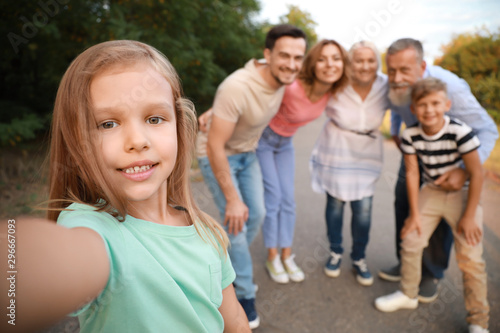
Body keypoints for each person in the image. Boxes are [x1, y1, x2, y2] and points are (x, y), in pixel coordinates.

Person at [0, 40, 250, 333]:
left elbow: (234, 320)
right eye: (108, 124)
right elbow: (39, 267)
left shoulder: (206, 231)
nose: (137, 140)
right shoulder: (93, 229)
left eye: (154, 118)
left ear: (180, 128)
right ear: (78, 143)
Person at [196, 24, 307, 329]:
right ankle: (242, 294)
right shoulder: (237, 86)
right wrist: (232, 198)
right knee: (238, 223)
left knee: (256, 213)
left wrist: (214, 110)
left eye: (298, 57)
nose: (292, 64)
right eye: (284, 55)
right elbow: (216, 144)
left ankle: (226, 267)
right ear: (267, 54)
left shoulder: (286, 79)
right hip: (216, 155)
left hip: (248, 153)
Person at [379, 38, 498, 301]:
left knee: (443, 210)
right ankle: (407, 263)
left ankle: (431, 273)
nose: (396, 78)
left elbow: (488, 129)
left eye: (404, 71)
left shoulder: (450, 89)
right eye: (391, 70)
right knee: (404, 203)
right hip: (416, 147)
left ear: (421, 66)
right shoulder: (394, 84)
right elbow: (399, 107)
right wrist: (398, 132)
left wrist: (463, 171)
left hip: (451, 157)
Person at [375, 77, 490, 333]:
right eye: (422, 105)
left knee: (471, 258)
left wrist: (470, 215)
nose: (429, 110)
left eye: (436, 103)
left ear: (447, 104)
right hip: (432, 191)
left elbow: (477, 174)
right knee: (411, 238)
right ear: (413, 109)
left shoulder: (461, 132)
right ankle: (408, 293)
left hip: (463, 195)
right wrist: (414, 216)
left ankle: (478, 320)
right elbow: (413, 174)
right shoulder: (411, 135)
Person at [256, 39, 348, 284]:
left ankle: (287, 255)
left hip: (285, 144)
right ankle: (272, 257)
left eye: (336, 58)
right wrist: (218, 110)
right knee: (273, 199)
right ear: (313, 63)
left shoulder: (333, 93)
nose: (330, 64)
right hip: (262, 141)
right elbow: (258, 80)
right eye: (322, 58)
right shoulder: (292, 84)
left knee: (289, 201)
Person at [309, 41, 388, 286]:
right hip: (336, 148)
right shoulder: (336, 83)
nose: (365, 66)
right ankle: (335, 251)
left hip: (368, 151)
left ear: (377, 62)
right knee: (336, 202)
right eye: (358, 60)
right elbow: (301, 93)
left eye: (370, 60)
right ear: (349, 63)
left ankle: (359, 257)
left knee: (363, 208)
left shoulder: (386, 84)